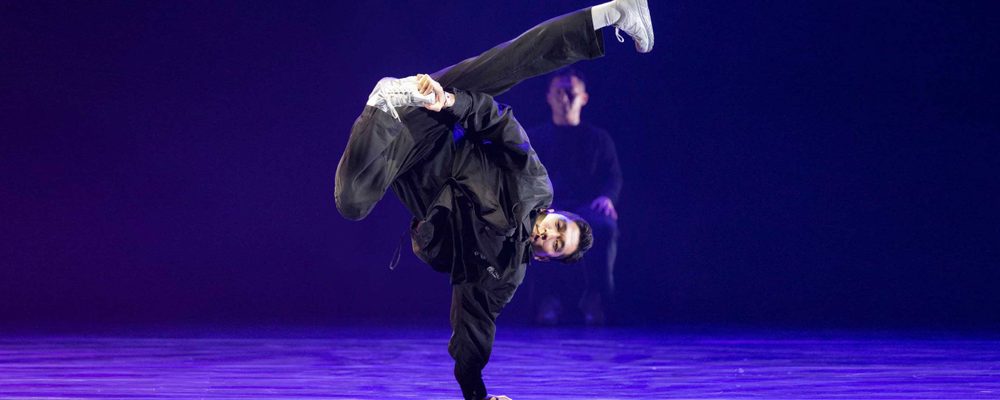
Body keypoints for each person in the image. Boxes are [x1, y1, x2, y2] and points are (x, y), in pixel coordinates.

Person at [334, 1, 653, 399]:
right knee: (510, 62)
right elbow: (503, 124)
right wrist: (449, 103)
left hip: (400, 147)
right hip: (435, 111)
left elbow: (473, 330)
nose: (548, 236)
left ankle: (383, 103)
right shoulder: (536, 185)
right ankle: (611, 14)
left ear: (544, 259)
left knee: (352, 203)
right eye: (558, 228)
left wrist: (477, 395)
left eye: (555, 245)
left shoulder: (503, 274)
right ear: (553, 214)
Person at [528, 69, 623, 326]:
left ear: (583, 98)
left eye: (571, 92)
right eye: (559, 92)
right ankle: (546, 300)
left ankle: (598, 298)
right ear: (549, 97)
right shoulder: (536, 138)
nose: (565, 98)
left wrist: (607, 197)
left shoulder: (598, 139)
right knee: (535, 229)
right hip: (551, 206)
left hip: (586, 208)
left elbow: (612, 176)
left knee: (605, 227)